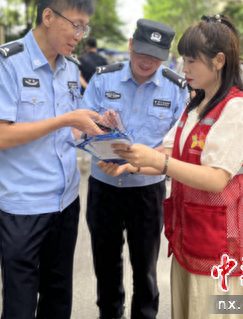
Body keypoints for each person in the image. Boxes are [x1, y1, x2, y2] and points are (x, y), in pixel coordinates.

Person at [99, 14, 243, 319]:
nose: (183, 70)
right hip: (189, 238)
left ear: (218, 61)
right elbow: (169, 152)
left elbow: (215, 179)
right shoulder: (197, 104)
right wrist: (130, 164)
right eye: (183, 61)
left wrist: (157, 161)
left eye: (191, 62)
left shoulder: (238, 108)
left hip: (219, 247)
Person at [0, 0, 103, 319]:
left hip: (65, 201)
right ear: (48, 16)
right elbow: (0, 137)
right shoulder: (6, 61)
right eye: (75, 24)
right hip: (23, 205)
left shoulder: (70, 68)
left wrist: (99, 130)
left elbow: (70, 132)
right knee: (20, 304)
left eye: (84, 26)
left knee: (58, 296)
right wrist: (64, 119)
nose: (80, 34)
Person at [82, 19, 188, 319]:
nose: (146, 61)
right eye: (142, 52)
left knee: (146, 268)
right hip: (104, 188)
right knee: (106, 266)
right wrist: (101, 129)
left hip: (147, 192)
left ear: (165, 56)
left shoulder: (176, 88)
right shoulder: (104, 79)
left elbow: (174, 145)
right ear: (130, 44)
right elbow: (82, 127)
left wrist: (134, 163)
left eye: (155, 56)